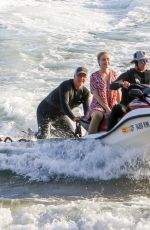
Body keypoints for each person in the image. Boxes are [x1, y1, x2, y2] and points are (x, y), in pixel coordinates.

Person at [36, 67, 90, 139]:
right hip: (45, 112)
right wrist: (73, 118)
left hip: (60, 115)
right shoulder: (66, 86)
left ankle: (49, 131)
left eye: (84, 76)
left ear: (87, 79)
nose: (81, 78)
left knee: (71, 137)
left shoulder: (85, 93)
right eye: (79, 75)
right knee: (43, 137)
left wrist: (84, 119)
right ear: (74, 76)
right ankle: (37, 134)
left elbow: (87, 112)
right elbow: (64, 104)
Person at [108, 50, 150, 130]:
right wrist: (121, 84)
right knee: (117, 108)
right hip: (128, 105)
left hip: (146, 104)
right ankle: (109, 134)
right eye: (142, 61)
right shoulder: (129, 74)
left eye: (146, 60)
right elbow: (112, 86)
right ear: (136, 62)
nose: (145, 63)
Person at [88, 51, 121, 134]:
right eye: (103, 60)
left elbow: (117, 92)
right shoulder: (94, 76)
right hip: (98, 105)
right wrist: (107, 109)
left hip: (112, 104)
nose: (106, 61)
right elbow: (96, 95)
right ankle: (89, 141)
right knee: (98, 115)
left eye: (108, 59)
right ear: (98, 62)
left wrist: (121, 104)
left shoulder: (114, 74)